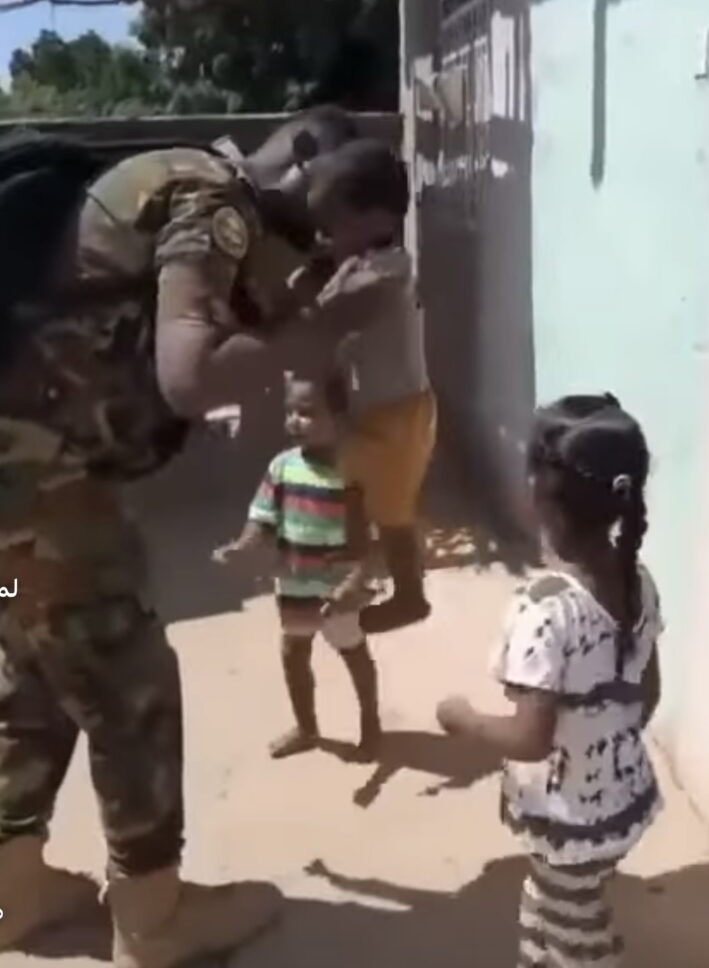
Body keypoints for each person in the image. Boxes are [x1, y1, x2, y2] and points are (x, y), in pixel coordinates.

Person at [0, 107, 390, 968]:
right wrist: (326, 329)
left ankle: (13, 889)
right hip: (41, 496)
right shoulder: (213, 199)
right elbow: (189, 376)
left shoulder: (174, 184)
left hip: (13, 507)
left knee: (31, 668)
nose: (327, 249)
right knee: (127, 680)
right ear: (306, 156)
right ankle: (153, 917)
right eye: (335, 228)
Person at [437, 394, 663, 967]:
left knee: (576, 935)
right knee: (548, 907)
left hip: (573, 821)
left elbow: (530, 738)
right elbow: (648, 696)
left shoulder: (543, 610)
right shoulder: (638, 580)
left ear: (538, 491)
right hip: (623, 799)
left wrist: (463, 720)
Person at [292, 138, 437, 633]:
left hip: (398, 418)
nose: (326, 237)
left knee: (393, 516)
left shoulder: (390, 267)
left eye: (334, 224)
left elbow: (341, 310)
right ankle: (358, 574)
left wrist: (306, 306)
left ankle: (411, 597)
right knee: (351, 492)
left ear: (377, 219)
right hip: (371, 412)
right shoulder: (355, 263)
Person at [213, 374, 381, 762]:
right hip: (293, 586)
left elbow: (366, 540)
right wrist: (242, 547)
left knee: (355, 655)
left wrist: (356, 581)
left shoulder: (352, 472)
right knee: (293, 653)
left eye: (307, 412)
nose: (294, 420)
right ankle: (306, 728)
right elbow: (261, 517)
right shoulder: (282, 467)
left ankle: (371, 726)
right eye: (289, 411)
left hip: (338, 592)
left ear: (339, 419)